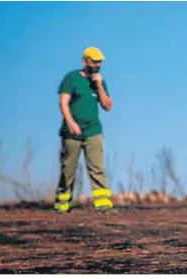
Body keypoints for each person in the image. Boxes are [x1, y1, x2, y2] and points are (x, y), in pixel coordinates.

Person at [54, 47, 115, 214]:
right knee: (68, 168)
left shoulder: (99, 82)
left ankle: (103, 204)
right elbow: (63, 102)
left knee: (97, 168)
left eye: (100, 61)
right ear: (85, 61)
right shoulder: (71, 78)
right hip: (72, 132)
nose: (98, 64)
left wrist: (100, 86)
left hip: (93, 131)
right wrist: (71, 123)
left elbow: (108, 106)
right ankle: (62, 204)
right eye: (95, 61)